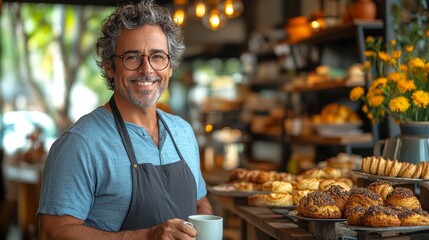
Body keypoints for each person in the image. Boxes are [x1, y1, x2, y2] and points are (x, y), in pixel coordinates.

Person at [37, 0, 213, 239]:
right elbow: (53, 232)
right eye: (132, 57)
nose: (147, 70)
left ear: (170, 67)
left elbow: (200, 204)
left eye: (158, 57)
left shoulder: (182, 132)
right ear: (110, 67)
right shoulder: (80, 143)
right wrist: (147, 237)